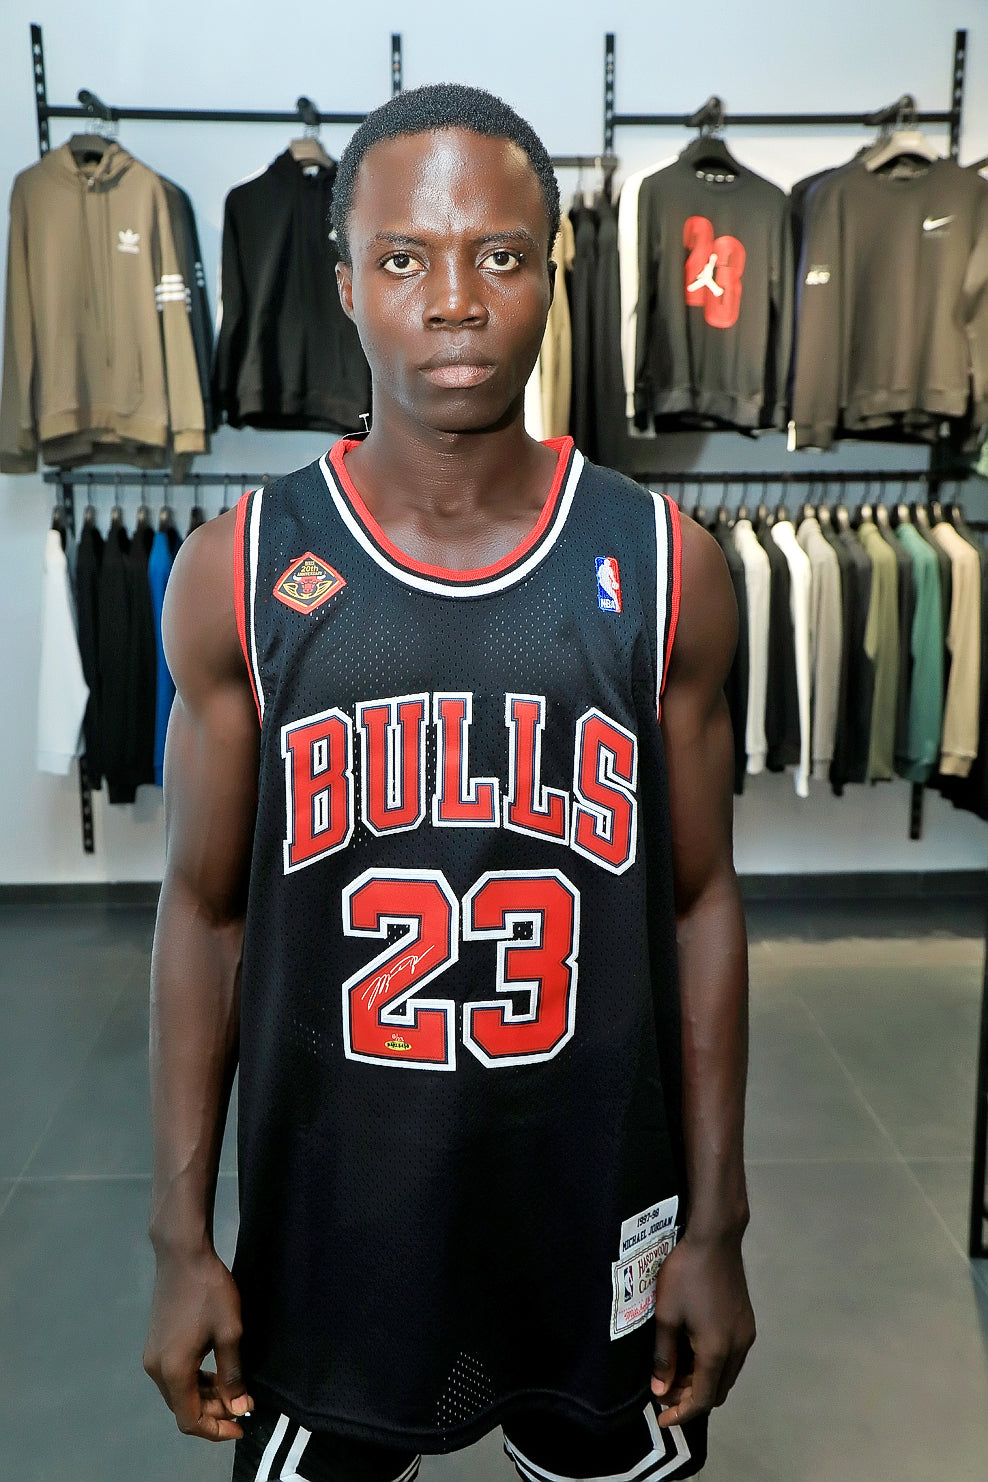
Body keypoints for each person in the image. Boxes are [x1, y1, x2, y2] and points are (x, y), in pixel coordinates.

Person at [143, 84, 755, 1482]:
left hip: (599, 1205)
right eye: (405, 258)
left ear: (554, 270)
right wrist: (178, 1238)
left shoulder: (667, 569)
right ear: (344, 282)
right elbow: (204, 913)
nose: (457, 301)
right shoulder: (242, 571)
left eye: (501, 254)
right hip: (339, 1218)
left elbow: (702, 903)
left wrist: (719, 1225)